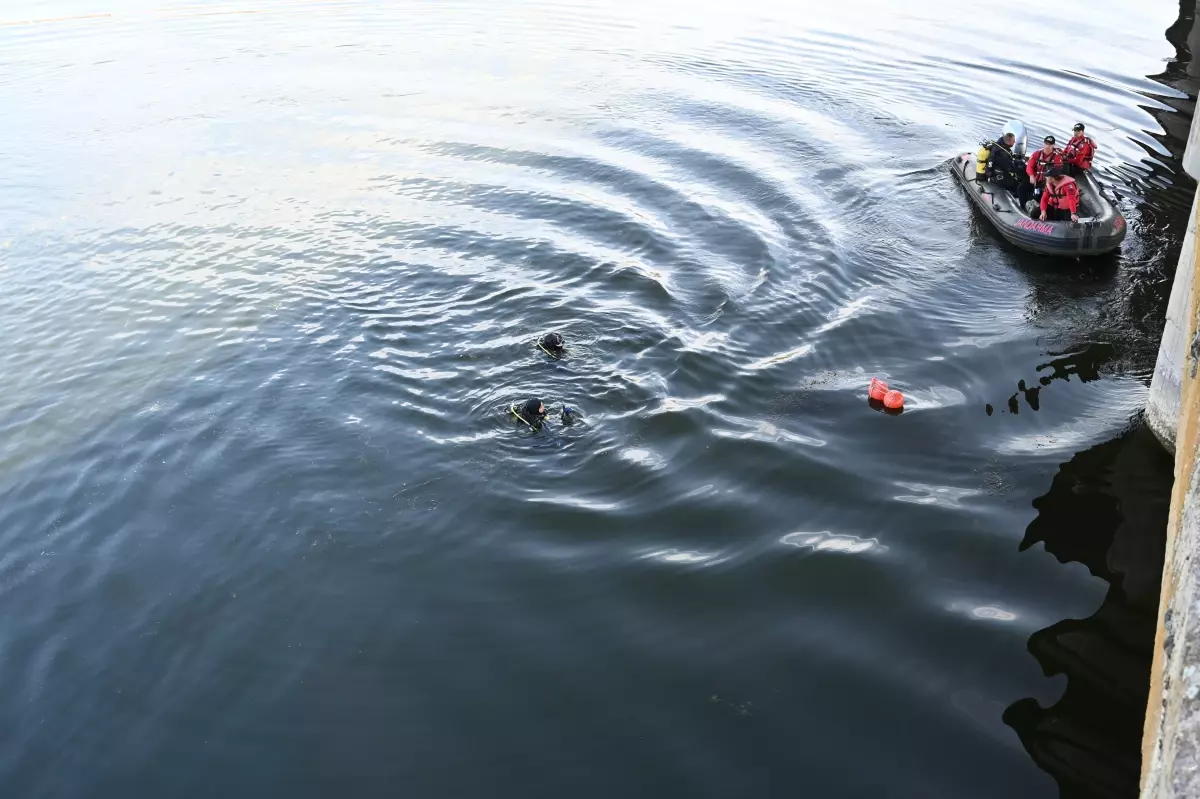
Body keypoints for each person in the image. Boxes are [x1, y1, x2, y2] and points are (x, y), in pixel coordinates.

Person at [1026, 135, 1064, 210]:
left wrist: (1050, 182)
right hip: (1037, 180)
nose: (1047, 146)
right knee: (1023, 188)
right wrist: (1031, 175)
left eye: (1050, 144)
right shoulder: (1037, 153)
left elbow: (1058, 171)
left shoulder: (1057, 156)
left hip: (1048, 182)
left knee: (1044, 197)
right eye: (1046, 144)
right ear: (1044, 143)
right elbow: (1029, 166)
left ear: (1053, 145)